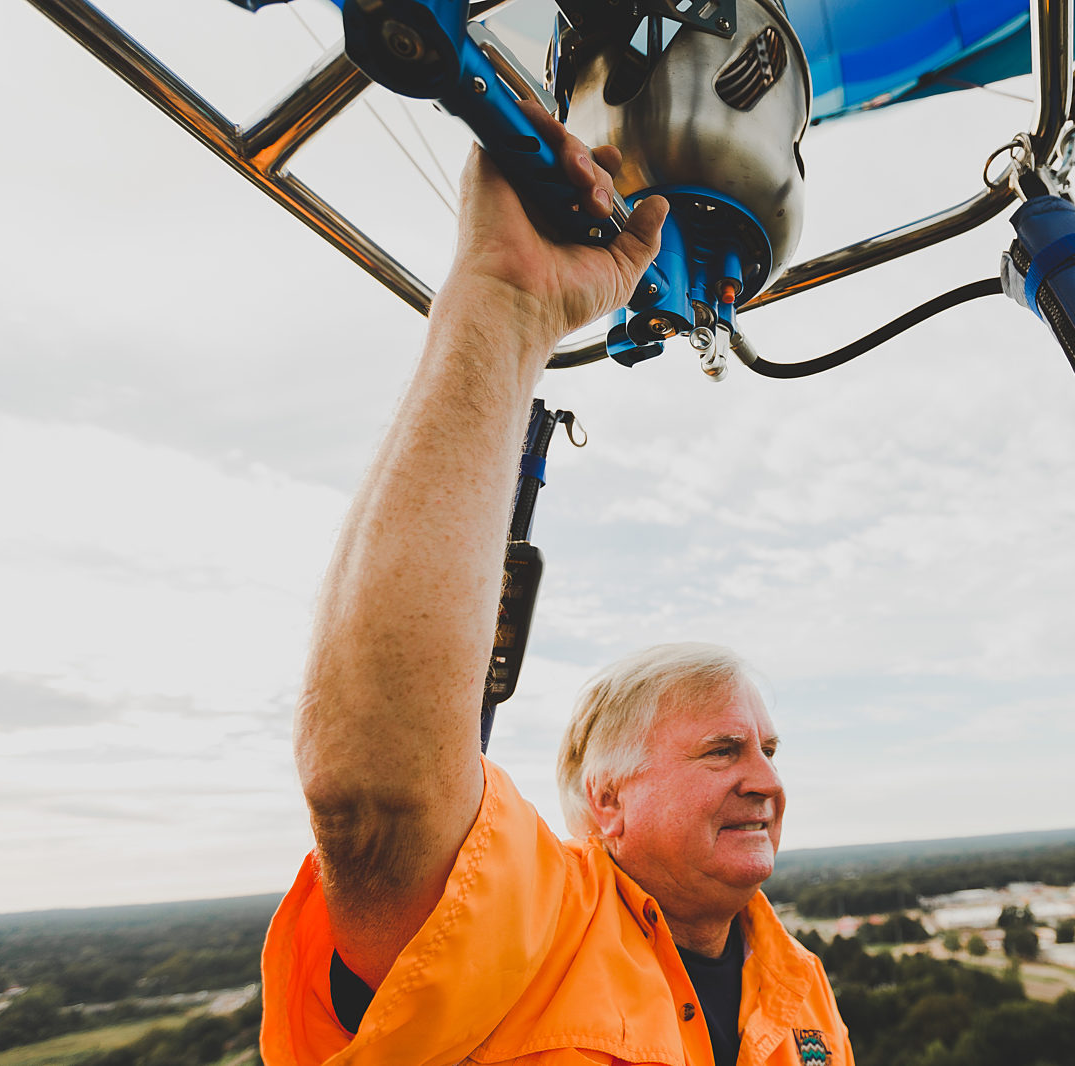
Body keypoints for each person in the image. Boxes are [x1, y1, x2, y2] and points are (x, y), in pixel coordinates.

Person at [259, 102, 852, 1066]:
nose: (766, 780)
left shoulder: (802, 995)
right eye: (721, 750)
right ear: (605, 803)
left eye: (767, 747)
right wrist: (504, 303)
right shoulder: (533, 928)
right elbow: (377, 797)